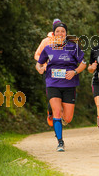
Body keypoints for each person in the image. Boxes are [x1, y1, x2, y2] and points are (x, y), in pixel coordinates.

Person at [36, 22, 86, 152]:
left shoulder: (73, 47)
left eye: (62, 31)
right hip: (53, 83)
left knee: (68, 118)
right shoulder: (48, 48)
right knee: (57, 112)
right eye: (57, 31)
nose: (60, 33)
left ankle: (53, 111)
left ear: (66, 34)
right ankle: (60, 142)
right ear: (53, 33)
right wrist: (40, 69)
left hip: (69, 85)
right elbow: (39, 63)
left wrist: (74, 71)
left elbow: (84, 63)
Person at [34, 18, 61, 127]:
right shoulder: (46, 41)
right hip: (49, 72)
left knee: (64, 94)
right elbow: (37, 55)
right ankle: (50, 112)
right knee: (53, 96)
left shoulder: (67, 41)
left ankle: (60, 113)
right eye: (56, 28)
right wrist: (44, 65)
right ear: (53, 29)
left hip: (63, 72)